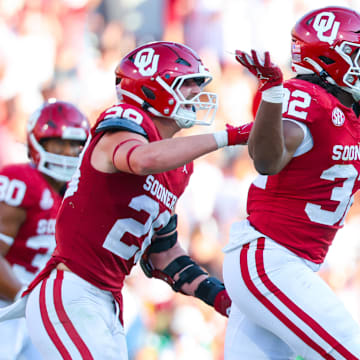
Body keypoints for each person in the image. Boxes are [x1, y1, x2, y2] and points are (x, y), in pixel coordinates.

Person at [7, 41, 253, 359]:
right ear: (151, 90)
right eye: (185, 83)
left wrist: (225, 300)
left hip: (107, 301)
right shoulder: (124, 120)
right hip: (72, 289)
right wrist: (227, 137)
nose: (196, 92)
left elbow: (164, 257)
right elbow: (141, 160)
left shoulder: (179, 166)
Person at [222, 6, 360, 360]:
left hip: (287, 264)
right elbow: (270, 159)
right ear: (331, 59)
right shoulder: (305, 96)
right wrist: (271, 91)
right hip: (270, 257)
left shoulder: (350, 117)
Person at [0, 100, 90, 359]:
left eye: (75, 145)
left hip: (31, 309)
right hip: (8, 305)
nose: (67, 151)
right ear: (37, 142)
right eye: (58, 143)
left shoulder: (71, 195)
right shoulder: (21, 182)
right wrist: (23, 299)